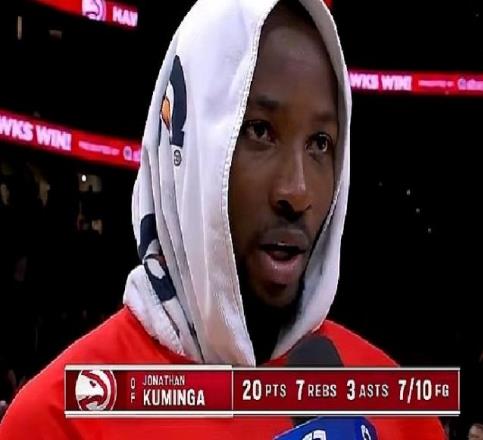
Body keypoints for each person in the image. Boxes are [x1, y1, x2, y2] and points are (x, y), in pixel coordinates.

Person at [0, 0, 446, 438]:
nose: (297, 192)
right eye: (260, 131)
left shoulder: (400, 418)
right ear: (187, 147)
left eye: (320, 143)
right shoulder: (59, 420)